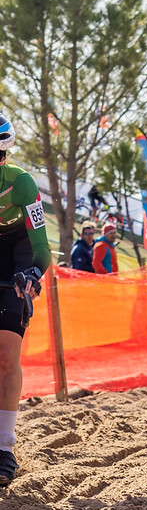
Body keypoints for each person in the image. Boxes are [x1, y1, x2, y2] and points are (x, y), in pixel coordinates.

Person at [0, 115, 51, 487]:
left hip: (18, 254)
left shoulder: (21, 183)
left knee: (6, 355)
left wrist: (33, 276)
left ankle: (4, 446)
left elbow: (41, 248)